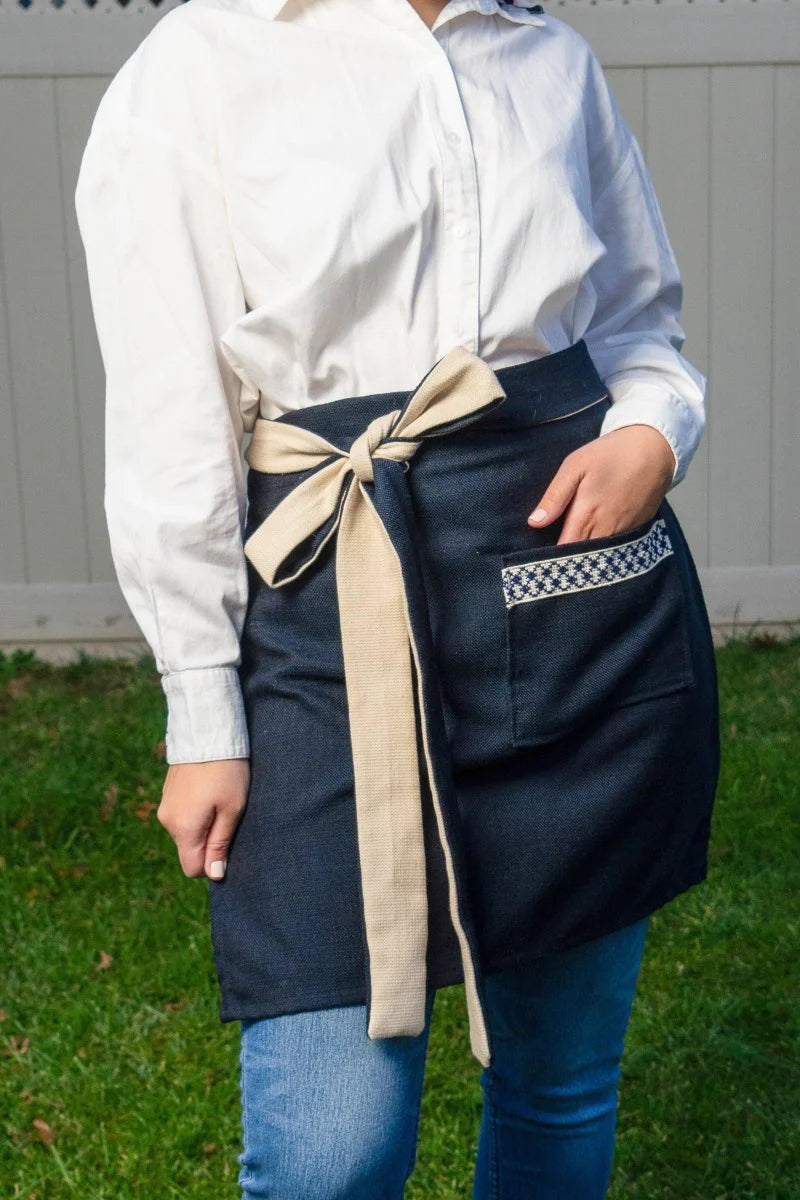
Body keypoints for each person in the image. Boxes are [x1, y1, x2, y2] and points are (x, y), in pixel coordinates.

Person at [74, 0, 721, 1195]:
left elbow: (640, 326)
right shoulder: (199, 63)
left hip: (576, 602)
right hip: (328, 611)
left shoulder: (549, 60)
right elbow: (169, 425)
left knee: (559, 1081)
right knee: (330, 1154)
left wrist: (649, 432)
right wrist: (204, 714)